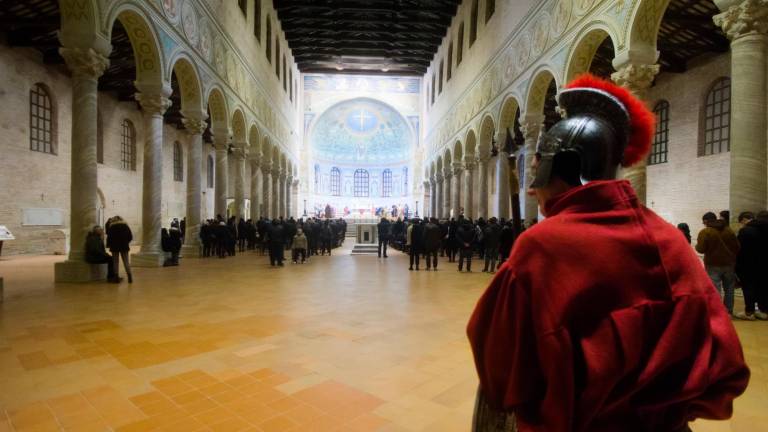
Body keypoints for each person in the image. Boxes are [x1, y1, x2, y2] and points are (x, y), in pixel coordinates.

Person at [467, 74, 749, 431]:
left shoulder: (542, 246)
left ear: (561, 167)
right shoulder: (669, 239)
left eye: (537, 172)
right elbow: (726, 366)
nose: (533, 192)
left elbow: (500, 373)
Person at [696, 211, 740, 315]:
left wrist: (697, 246)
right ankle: (728, 311)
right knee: (729, 289)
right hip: (729, 264)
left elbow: (701, 249)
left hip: (713, 264)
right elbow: (737, 247)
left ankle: (717, 311)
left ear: (706, 221)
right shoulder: (729, 231)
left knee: (715, 289)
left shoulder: (705, 232)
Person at [735, 211, 768, 320]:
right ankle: (763, 311)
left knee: (748, 287)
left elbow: (739, 250)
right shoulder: (765, 229)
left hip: (748, 264)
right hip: (764, 264)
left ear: (744, 219)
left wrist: (737, 266)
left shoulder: (746, 231)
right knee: (762, 287)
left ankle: (749, 312)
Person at [106, 216, 133, 283]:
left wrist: (109, 245)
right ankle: (130, 277)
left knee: (115, 262)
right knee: (126, 261)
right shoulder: (125, 226)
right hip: (124, 246)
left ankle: (116, 278)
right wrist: (126, 242)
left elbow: (109, 237)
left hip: (114, 247)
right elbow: (130, 236)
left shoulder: (111, 227)